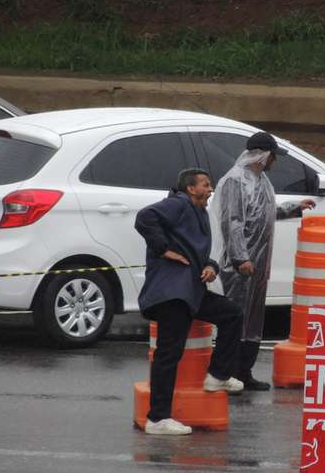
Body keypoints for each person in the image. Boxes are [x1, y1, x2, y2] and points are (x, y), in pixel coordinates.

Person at [135, 168, 244, 436]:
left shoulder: (199, 212)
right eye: (205, 185)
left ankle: (217, 376)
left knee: (231, 314)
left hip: (190, 291)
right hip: (172, 293)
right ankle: (158, 418)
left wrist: (211, 266)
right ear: (190, 188)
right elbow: (144, 217)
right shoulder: (178, 204)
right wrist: (162, 249)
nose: (210, 189)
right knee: (168, 355)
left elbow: (201, 252)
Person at [212, 132, 315, 391]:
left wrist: (294, 208)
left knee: (253, 318)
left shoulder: (261, 181)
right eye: (273, 157)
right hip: (239, 264)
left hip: (258, 262)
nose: (274, 163)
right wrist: (240, 257)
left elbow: (265, 213)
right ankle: (227, 373)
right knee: (237, 316)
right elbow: (232, 221)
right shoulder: (235, 181)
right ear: (263, 155)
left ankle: (244, 372)